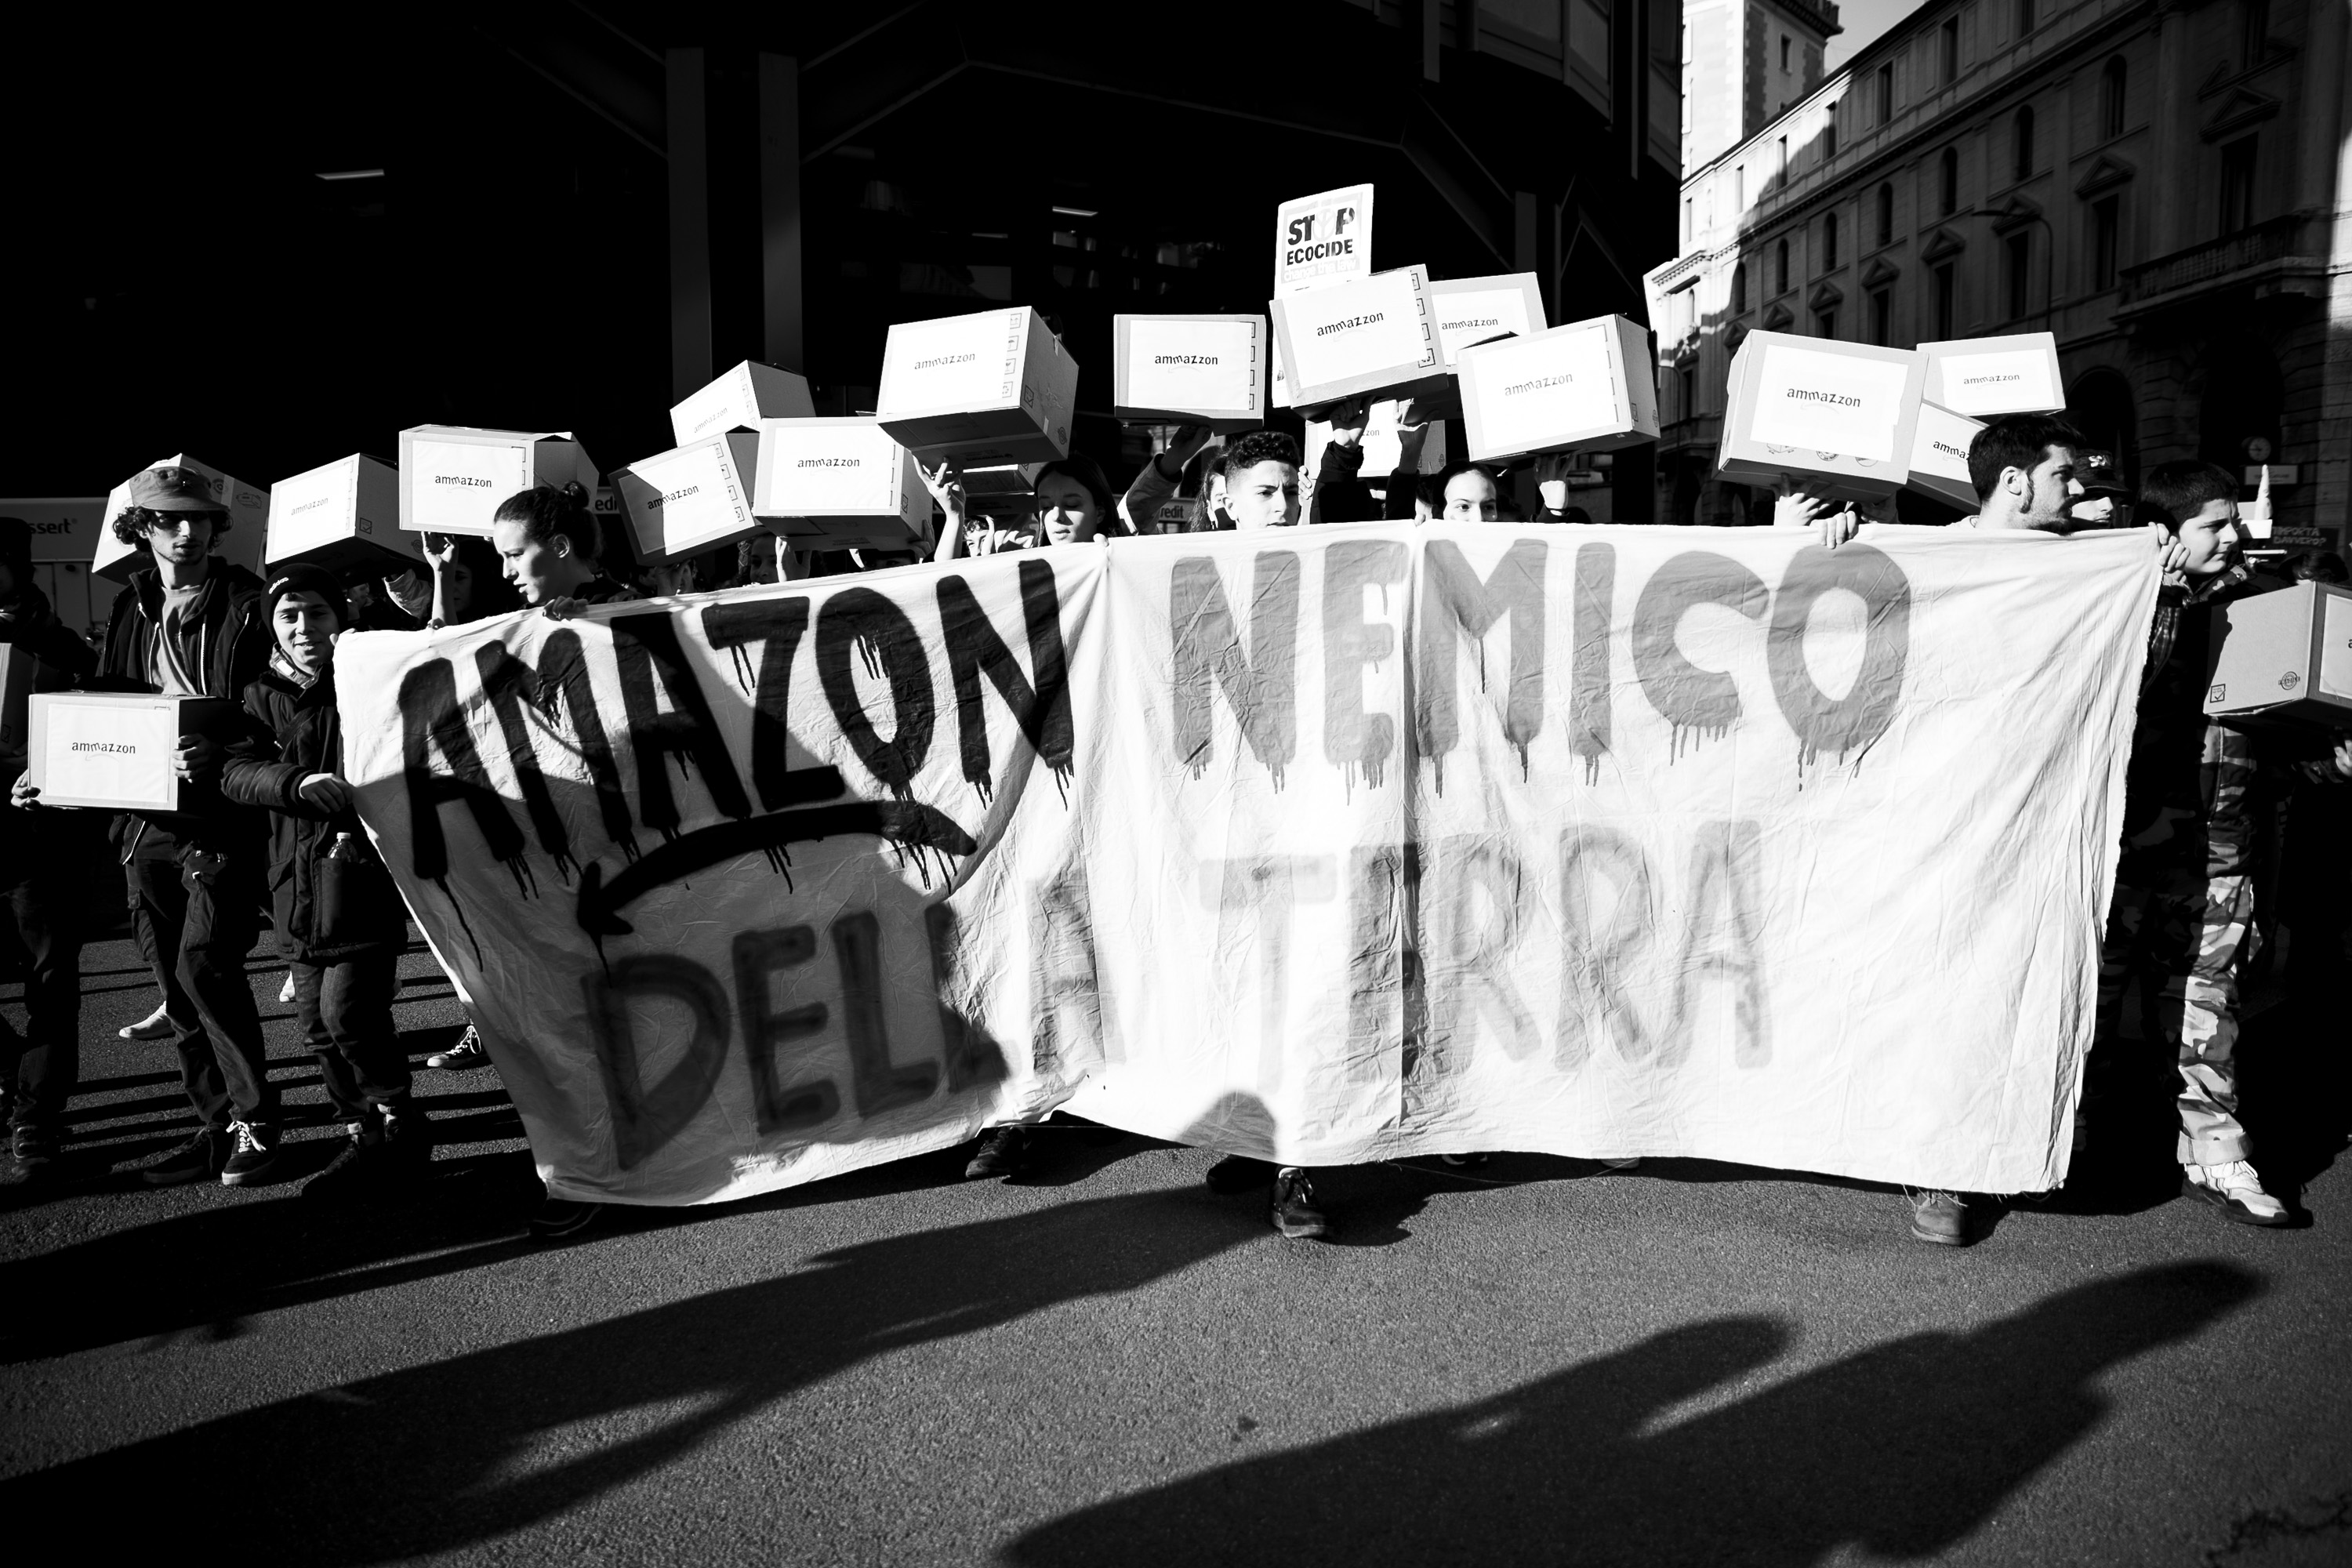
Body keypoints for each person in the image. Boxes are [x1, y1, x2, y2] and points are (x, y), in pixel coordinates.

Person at [2088, 460, 2345, 1228]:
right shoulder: (2117, 606)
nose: (2233, 535)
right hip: (2117, 861)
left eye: (2234, 519)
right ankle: (2066, 1137)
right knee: (2089, 1007)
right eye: (2213, 523)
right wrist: (2161, 602)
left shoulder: (2266, 609)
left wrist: (2332, 764)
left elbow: (2292, 744)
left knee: (2209, 1018)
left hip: (2222, 861)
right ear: (2164, 533)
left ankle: (2217, 1154)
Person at [25, 467, 280, 1186]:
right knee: (175, 983)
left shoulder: (250, 605)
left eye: (200, 518)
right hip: (145, 824)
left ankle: (256, 1122)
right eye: (170, 520)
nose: (188, 531)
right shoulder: (130, 604)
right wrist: (49, 771)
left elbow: (272, 708)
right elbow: (107, 705)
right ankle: (215, 1126)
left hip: (223, 815)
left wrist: (222, 748)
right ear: (142, 529)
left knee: (206, 966)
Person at [220, 565, 432, 1198]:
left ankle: (402, 1120)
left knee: (350, 1014)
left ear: (341, 618)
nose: (304, 627)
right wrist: (294, 783)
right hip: (293, 886)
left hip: (361, 878)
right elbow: (234, 771)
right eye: (289, 616)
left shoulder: (370, 678)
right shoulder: (256, 695)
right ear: (272, 627)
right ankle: (364, 1136)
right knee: (315, 1024)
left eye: (318, 612)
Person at [0, 517, 99, 1174]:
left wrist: (47, 770)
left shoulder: (62, 647)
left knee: (51, 984)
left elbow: (96, 741)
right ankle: (13, 1071)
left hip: (39, 842)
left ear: (16, 568)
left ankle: (36, 1116)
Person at [492, 483, 637, 614]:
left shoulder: (630, 609)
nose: (506, 573)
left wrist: (587, 623)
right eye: (503, 557)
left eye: (516, 555)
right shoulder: (524, 620)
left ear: (560, 547)